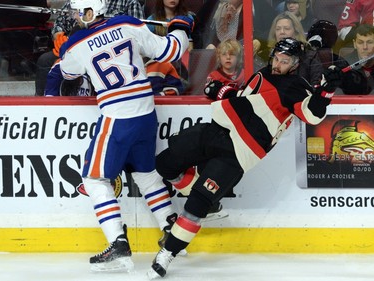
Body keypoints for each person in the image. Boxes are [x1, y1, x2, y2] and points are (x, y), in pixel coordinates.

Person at [147, 37, 343, 279]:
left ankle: (168, 253)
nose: (278, 64)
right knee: (164, 164)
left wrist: (326, 90)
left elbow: (312, 114)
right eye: (277, 58)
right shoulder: (261, 74)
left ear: (294, 63)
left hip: (238, 152)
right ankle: (211, 203)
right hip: (215, 130)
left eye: (285, 61)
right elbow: (243, 98)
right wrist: (222, 90)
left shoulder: (297, 87)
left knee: (196, 205)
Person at [58, 0, 193, 271]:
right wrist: (181, 27)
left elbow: (68, 72)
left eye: (78, 10)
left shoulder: (75, 43)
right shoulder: (127, 23)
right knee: (145, 172)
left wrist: (63, 45)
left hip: (118, 116)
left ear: (89, 11)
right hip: (145, 112)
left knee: (95, 179)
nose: (74, 15)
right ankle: (171, 228)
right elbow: (171, 50)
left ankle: (118, 244)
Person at [35, 0, 144, 96]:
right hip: (73, 46)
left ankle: (93, 100)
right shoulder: (77, 2)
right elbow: (59, 23)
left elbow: (137, 35)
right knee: (45, 60)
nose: (75, 16)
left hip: (109, 50)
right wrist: (59, 36)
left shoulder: (129, 2)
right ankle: (42, 102)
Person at [258, 11, 323, 86]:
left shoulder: (310, 57)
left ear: (296, 32)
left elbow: (316, 88)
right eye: (278, 29)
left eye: (287, 28)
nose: (281, 32)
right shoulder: (268, 55)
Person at [340, 24, 374, 95]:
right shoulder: (344, 65)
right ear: (354, 44)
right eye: (360, 42)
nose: (365, 47)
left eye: (370, 42)